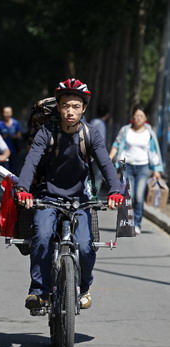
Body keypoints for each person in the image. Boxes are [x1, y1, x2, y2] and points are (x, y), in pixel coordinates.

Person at [15, 78, 124, 311]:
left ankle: (84, 287)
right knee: (42, 236)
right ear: (58, 107)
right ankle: (39, 291)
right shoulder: (46, 133)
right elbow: (32, 161)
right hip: (47, 197)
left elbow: (105, 163)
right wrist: (23, 189)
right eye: (66, 105)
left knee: (85, 246)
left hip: (80, 200)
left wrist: (115, 190)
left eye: (76, 106)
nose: (70, 111)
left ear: (84, 108)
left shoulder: (90, 134)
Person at [109, 105, 163, 235]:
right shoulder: (125, 130)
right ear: (132, 117)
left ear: (145, 118)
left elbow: (154, 152)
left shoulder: (149, 133)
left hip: (143, 167)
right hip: (126, 166)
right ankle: (128, 222)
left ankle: (137, 223)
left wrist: (156, 170)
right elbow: (116, 144)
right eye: (136, 115)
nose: (138, 118)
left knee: (139, 196)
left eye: (141, 116)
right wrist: (109, 159)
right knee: (129, 196)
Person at [90, 104, 110, 194]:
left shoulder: (92, 122)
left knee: (90, 176)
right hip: (97, 154)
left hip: (89, 152)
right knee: (97, 177)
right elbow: (101, 141)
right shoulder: (101, 124)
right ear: (106, 115)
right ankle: (93, 196)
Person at [0, 106, 22, 175]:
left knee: (14, 170)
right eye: (5, 112)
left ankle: (13, 185)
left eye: (8, 112)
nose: (7, 114)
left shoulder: (16, 123)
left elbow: (19, 136)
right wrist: (3, 137)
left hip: (14, 150)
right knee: (4, 170)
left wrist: (14, 136)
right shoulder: (0, 124)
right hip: (3, 152)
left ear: (11, 113)